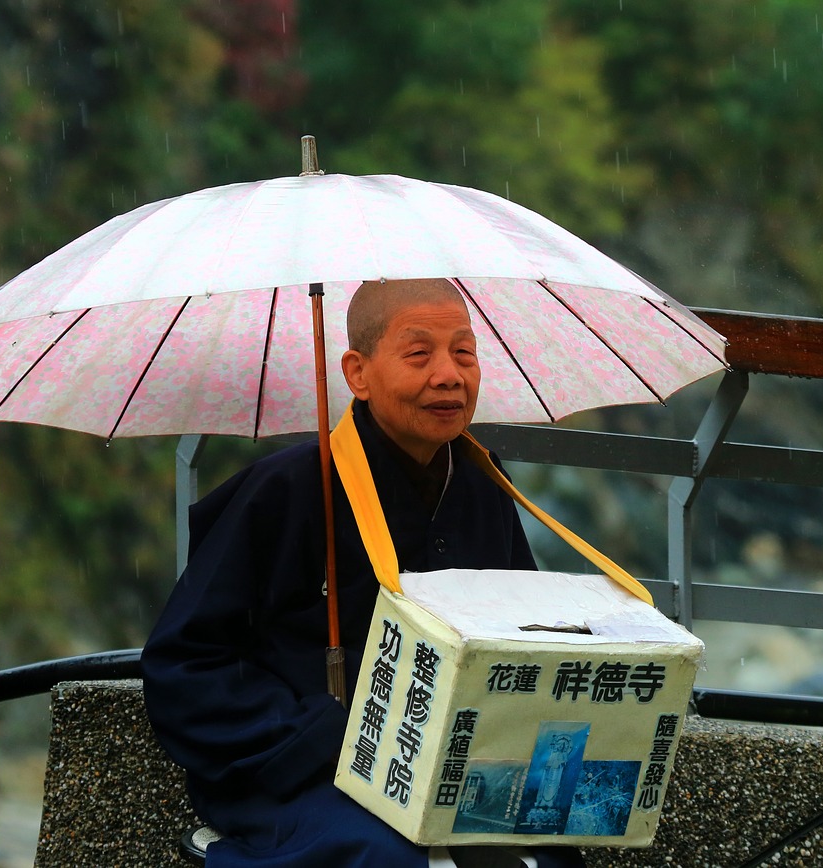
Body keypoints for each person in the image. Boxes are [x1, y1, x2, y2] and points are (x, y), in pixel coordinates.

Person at [142, 279, 586, 868]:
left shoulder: (482, 484)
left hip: (451, 766)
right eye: (419, 353)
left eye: (464, 352)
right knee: (383, 854)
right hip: (300, 770)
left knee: (542, 855)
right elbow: (186, 663)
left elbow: (522, 638)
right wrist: (317, 733)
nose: (449, 374)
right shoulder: (291, 488)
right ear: (357, 372)